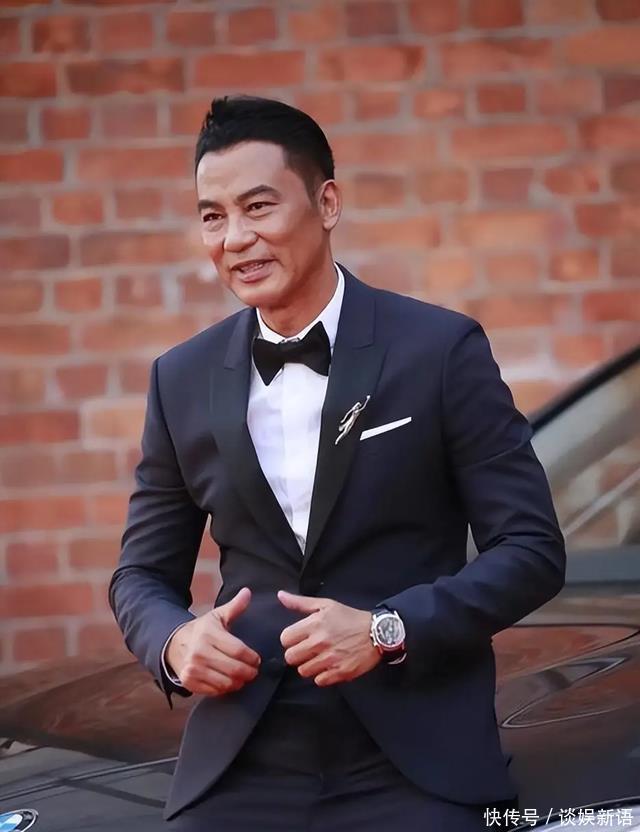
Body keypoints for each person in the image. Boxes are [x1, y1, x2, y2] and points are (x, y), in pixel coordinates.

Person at [109, 95, 566, 831]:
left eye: (259, 206)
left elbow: (532, 550)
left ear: (327, 204)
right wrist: (172, 641)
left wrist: (388, 627)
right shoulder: (180, 379)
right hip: (247, 755)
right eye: (213, 216)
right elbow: (140, 575)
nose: (236, 238)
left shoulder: (440, 351)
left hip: (416, 755)